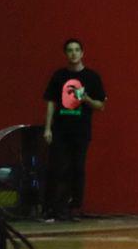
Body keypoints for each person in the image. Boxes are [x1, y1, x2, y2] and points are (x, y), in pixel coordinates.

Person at [42, 38, 106, 222]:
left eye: (77, 50)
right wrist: (48, 128)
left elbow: (101, 105)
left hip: (81, 131)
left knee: (78, 169)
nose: (73, 53)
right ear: (65, 54)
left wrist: (86, 99)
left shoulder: (92, 77)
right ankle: (55, 208)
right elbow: (51, 103)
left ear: (82, 53)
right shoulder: (58, 76)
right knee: (58, 168)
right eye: (70, 50)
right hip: (60, 130)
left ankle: (74, 207)